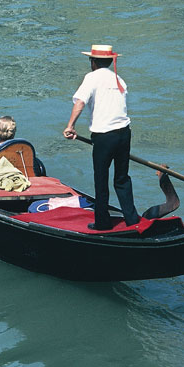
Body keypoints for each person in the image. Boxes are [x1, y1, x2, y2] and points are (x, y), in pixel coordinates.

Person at [63, 44, 140, 230]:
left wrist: (70, 126)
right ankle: (132, 219)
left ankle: (102, 223)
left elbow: (80, 102)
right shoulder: (119, 79)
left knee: (101, 179)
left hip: (104, 137)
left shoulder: (92, 77)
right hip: (124, 134)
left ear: (93, 61)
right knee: (122, 178)